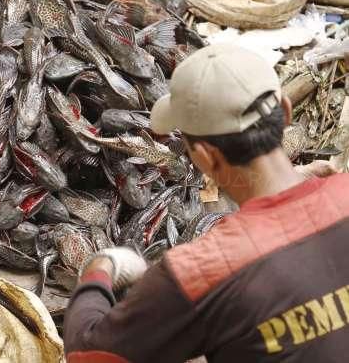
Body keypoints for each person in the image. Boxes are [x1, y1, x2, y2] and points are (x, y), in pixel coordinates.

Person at [63, 44, 348, 363]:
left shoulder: (202, 270)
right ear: (284, 111)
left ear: (203, 156)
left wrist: (100, 269)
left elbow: (88, 356)